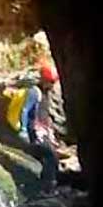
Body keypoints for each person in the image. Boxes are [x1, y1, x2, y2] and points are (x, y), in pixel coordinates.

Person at [17, 65, 60, 194]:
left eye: (54, 82)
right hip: (34, 133)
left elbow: (44, 115)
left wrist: (50, 133)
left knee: (50, 157)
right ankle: (46, 189)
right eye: (50, 82)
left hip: (43, 133)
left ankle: (43, 188)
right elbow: (25, 110)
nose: (52, 85)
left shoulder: (46, 94)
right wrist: (23, 130)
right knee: (50, 156)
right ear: (43, 80)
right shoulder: (34, 92)